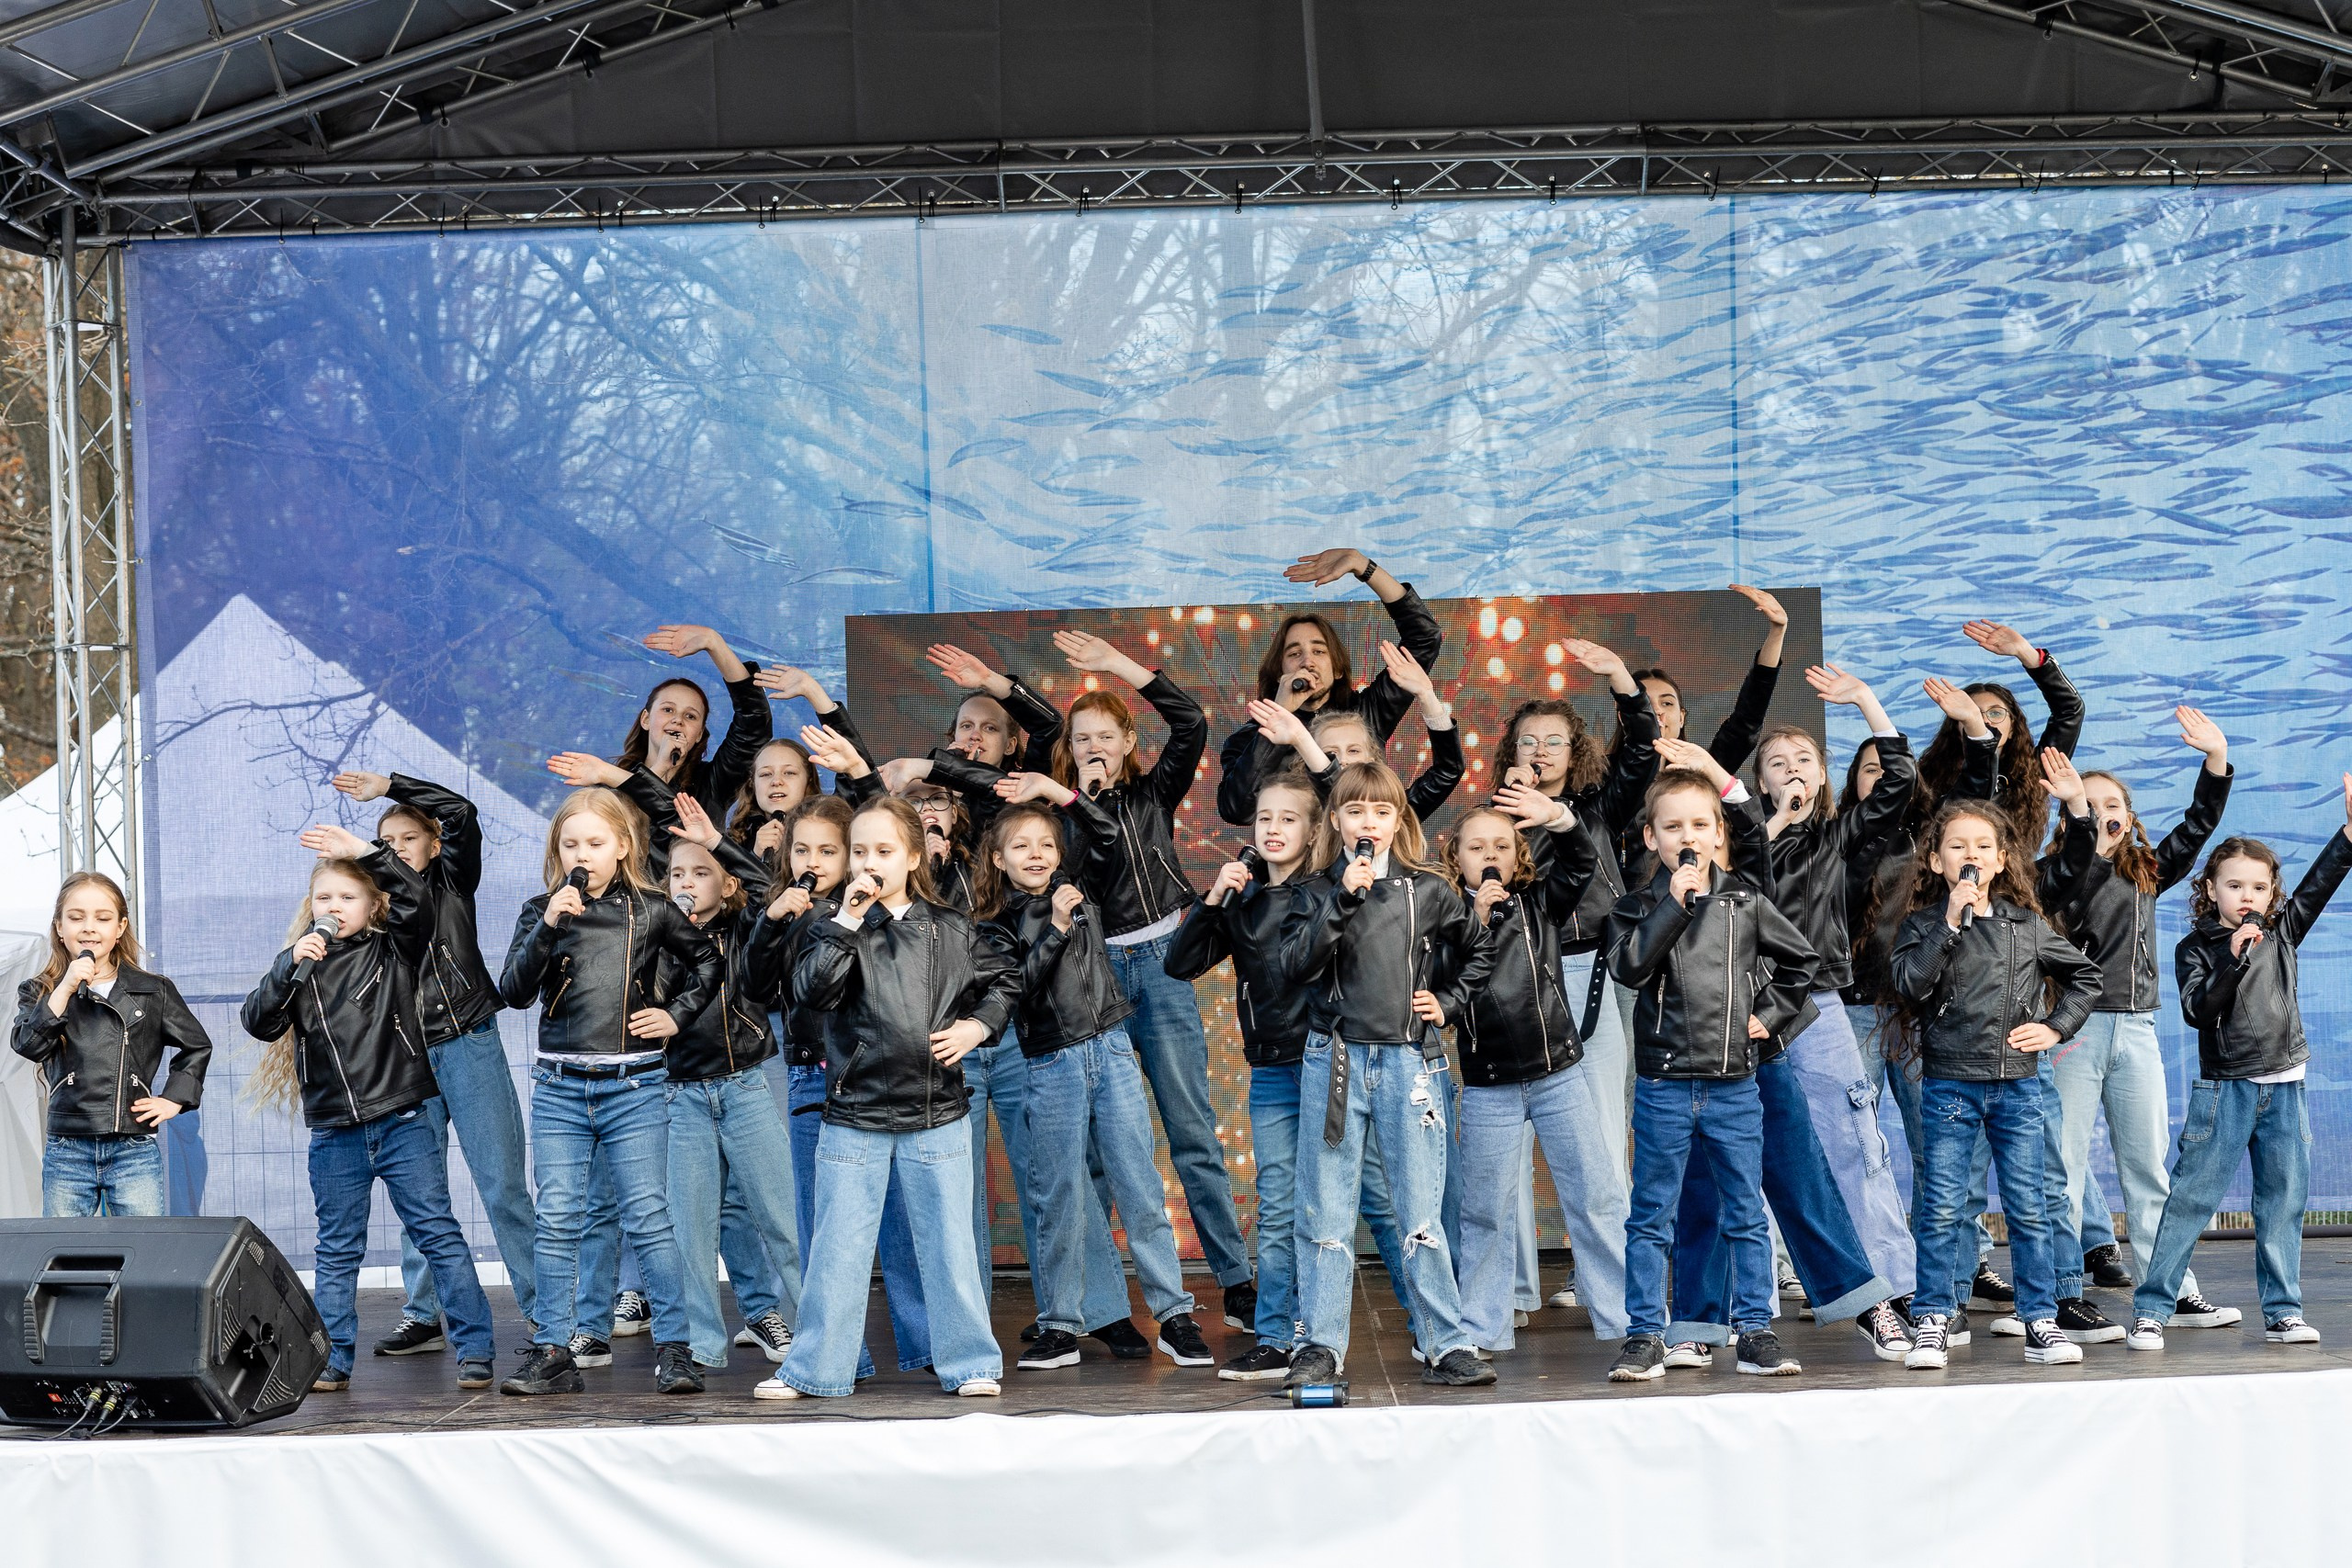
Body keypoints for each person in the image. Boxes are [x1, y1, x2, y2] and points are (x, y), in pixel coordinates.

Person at [930, 630, 1258, 1329]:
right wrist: (929, 762)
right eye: (1081, 739)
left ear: (1127, 742)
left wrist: (1117, 665)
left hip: (1161, 962)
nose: (1093, 747)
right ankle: (1081, 1304)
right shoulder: (1054, 818)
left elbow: (1191, 722)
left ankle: (1234, 1278)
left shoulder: (1154, 791)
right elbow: (1000, 795)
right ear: (1068, 750)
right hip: (1092, 973)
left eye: (1106, 736)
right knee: (1092, 1151)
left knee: (1189, 1128)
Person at [759, 799, 1017, 1400]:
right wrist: (849, 920)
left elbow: (1007, 977)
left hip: (936, 1112)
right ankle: (816, 1369)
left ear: (913, 857)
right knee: (838, 1249)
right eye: (859, 852)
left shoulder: (950, 927)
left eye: (883, 850)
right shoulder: (833, 923)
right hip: (856, 1111)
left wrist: (978, 1026)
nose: (869, 863)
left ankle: (971, 1363)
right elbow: (812, 993)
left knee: (949, 1245)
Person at [242, 829, 496, 1393]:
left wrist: (366, 853)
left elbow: (418, 899)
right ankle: (333, 1359)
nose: (334, 907)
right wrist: (287, 966)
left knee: (437, 1233)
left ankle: (475, 1348)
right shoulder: (299, 964)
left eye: (347, 896)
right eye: (324, 897)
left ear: (373, 904)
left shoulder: (393, 947)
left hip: (402, 1118)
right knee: (337, 1249)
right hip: (336, 1132)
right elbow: (259, 1021)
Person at [975, 797, 1215, 1371]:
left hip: (1110, 1049)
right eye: (1021, 846)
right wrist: (1056, 930)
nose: (1036, 855)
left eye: (1046, 845)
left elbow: (1108, 831)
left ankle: (1174, 1316)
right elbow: (1017, 990)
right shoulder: (994, 926)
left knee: (1140, 1185)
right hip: (1050, 1063)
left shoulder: (1081, 891)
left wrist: (1059, 793)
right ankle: (1061, 1325)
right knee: (1059, 1194)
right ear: (999, 859)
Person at [1278, 761, 1497, 1390]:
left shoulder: (1428, 889)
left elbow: (1480, 945)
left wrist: (1449, 1002)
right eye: (1355, 810)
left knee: (1421, 1210)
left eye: (1380, 810)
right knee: (1325, 1210)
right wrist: (1343, 898)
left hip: (1408, 1061)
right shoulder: (1314, 890)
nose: (1368, 822)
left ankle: (1444, 1342)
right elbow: (1294, 965)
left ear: (1398, 820)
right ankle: (1320, 1345)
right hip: (1336, 1059)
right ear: (1336, 821)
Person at [495, 787, 719, 1396]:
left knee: (648, 1216)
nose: (582, 854)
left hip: (633, 1084)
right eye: (571, 843)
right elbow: (513, 990)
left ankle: (676, 1349)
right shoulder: (540, 910)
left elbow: (708, 962)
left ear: (622, 846)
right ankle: (552, 1350)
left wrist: (676, 1015)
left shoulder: (653, 910)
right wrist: (548, 925)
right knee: (557, 1218)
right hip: (560, 1087)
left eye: (595, 842)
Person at [1603, 768, 1819, 1382]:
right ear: (1652, 837)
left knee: (1745, 1212)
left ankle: (1754, 1330)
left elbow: (1802, 961)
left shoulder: (1745, 902)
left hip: (1733, 1084)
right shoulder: (1634, 907)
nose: (1688, 836)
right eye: (1673, 826)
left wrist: (1768, 1015)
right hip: (1664, 1084)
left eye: (1700, 824)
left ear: (1719, 833)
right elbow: (1629, 968)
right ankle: (1645, 1334)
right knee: (1651, 1215)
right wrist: (1674, 904)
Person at [2128, 786, 2352, 1351]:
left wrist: (2349, 835)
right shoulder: (2195, 948)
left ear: (2272, 893)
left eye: (2258, 887)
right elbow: (2199, 1011)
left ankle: (2284, 1313)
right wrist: (2231, 958)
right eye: (2234, 885)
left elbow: (2321, 882)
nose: (2247, 896)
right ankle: (2152, 1310)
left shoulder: (2282, 933)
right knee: (2190, 1201)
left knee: (2282, 1204)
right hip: (2225, 1090)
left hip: (2286, 1088)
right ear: (2210, 889)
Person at [327, 770, 539, 1359]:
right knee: (420, 1196)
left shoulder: (451, 883)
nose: (395, 849)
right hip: (409, 1060)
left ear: (435, 846)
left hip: (467, 1042)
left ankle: (545, 1315)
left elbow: (463, 811)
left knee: (502, 1186)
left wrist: (388, 786)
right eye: (385, 841)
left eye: (408, 839)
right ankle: (423, 1314)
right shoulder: (374, 907)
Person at [1888, 801, 2101, 1371]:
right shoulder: (1923, 925)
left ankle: (2040, 1320)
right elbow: (1909, 984)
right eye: (1957, 846)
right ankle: (1933, 1318)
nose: (1972, 855)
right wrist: (1948, 923)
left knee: (2029, 1207)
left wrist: (2054, 1027)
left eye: (1983, 846)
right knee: (1943, 1205)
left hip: (2017, 1086)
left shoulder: (2025, 926)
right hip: (1949, 1085)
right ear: (1936, 861)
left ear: (2002, 860)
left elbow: (2086, 977)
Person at [2038, 707, 2231, 1310]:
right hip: (2074, 1029)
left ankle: (2169, 1292)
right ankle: (2060, 1294)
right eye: (2088, 803)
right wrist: (2086, 838)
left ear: (2130, 815)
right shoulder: (2058, 874)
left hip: (2137, 1027)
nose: (2103, 811)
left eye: (2112, 803)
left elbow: (2197, 826)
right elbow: (2071, 895)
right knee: (2063, 1166)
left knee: (2148, 1168)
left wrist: (2216, 760)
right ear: (2070, 815)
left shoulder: (2147, 870)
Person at [1747, 666, 1920, 1309]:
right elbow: (1727, 887)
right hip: (1748, 1006)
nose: (1791, 771)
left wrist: (1867, 701)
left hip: (1817, 1001)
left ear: (1822, 777)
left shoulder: (1834, 835)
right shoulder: (1739, 838)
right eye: (1777, 764)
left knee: (1855, 1138)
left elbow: (1899, 782)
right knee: (1749, 1149)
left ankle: (1895, 1284)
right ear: (1760, 783)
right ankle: (1754, 1301)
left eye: (1803, 762)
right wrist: (1773, 823)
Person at [1439, 796, 1632, 1355]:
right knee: (1486, 1210)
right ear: (1456, 858)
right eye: (1477, 847)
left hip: (1557, 1074)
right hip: (1489, 1083)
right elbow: (1437, 983)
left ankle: (1627, 1319)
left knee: (1595, 1196)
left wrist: (1560, 819)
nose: (1490, 856)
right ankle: (1484, 1328)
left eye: (1501, 846)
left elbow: (1581, 863)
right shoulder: (1443, 917)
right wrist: (1474, 923)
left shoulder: (1540, 901)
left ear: (1519, 856)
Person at [769, 795, 937, 1381]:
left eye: (830, 851)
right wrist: (772, 922)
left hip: (876, 1080)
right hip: (812, 1076)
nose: (813, 862)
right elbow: (765, 986)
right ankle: (839, 1355)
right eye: (801, 850)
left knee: (900, 1219)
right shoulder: (795, 915)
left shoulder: (882, 916)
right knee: (820, 1223)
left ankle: (926, 1345)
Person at [646, 790, 804, 1373]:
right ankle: (700, 1348)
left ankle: (821, 1334)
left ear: (727, 884)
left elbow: (770, 889)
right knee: (690, 1229)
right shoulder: (654, 939)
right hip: (681, 1094)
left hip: (744, 1087)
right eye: (677, 874)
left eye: (701, 872)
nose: (686, 882)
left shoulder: (745, 927)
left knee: (782, 1218)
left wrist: (717, 841)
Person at [13, 873, 210, 1218]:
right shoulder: (41, 990)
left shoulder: (153, 990)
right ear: (59, 927)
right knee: (65, 1247)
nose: (89, 928)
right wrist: (65, 988)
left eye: (102, 918)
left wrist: (174, 1098)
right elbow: (28, 1045)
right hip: (67, 1145)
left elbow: (196, 1046)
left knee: (140, 1245)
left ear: (120, 927)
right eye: (76, 917)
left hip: (132, 1146)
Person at [1215, 546, 1445, 828]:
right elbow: (1236, 809)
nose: (1307, 661)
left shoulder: (1364, 713)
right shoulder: (1250, 738)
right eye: (1294, 653)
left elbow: (1424, 638)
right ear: (1279, 673)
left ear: (1337, 670)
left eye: (1319, 651)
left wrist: (1363, 566)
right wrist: (1279, 717)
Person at [544, 621, 773, 876]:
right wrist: (658, 768)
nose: (678, 720)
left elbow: (754, 724)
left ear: (699, 734)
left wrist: (714, 643)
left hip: (694, 899)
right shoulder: (611, 785)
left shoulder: (712, 782)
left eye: (690, 716)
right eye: (668, 710)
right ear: (645, 719)